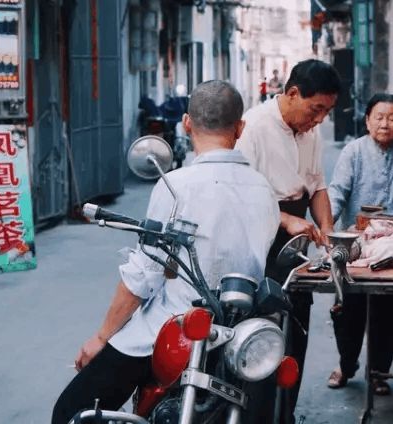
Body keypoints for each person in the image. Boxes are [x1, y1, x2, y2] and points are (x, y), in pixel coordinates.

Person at [51, 80, 281, 424]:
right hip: (240, 333)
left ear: (186, 123)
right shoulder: (264, 189)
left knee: (73, 412)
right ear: (240, 127)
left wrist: (101, 338)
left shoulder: (177, 185)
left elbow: (146, 273)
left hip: (175, 329)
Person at [235, 58, 341, 423]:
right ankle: (258, 414)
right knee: (262, 330)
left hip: (294, 243)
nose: (320, 120)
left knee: (296, 324)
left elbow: (317, 185)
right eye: (316, 109)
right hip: (258, 237)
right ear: (293, 93)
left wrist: (326, 230)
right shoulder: (254, 127)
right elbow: (239, 195)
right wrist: (284, 218)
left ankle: (286, 412)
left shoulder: (310, 131)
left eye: (326, 112)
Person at [326, 93, 393, 395]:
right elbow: (337, 192)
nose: (385, 123)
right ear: (367, 120)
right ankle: (346, 364)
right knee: (347, 308)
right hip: (356, 246)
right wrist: (327, 230)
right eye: (379, 117)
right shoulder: (353, 152)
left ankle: (379, 372)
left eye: (392, 117)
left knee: (388, 309)